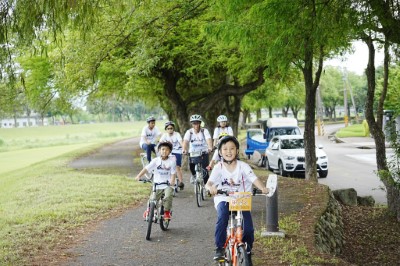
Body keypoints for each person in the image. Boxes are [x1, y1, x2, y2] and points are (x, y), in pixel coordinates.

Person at [205, 136, 269, 264]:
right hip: (223, 197)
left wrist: (263, 188)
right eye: (225, 149)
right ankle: (220, 248)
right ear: (220, 152)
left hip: (241, 198)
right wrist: (210, 187)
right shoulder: (218, 167)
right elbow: (209, 183)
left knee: (249, 229)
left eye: (232, 149)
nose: (229, 151)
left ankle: (247, 250)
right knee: (223, 217)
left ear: (237, 151)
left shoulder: (243, 166)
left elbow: (253, 179)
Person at [135, 141, 176, 220]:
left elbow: (173, 173)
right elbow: (146, 169)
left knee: (168, 197)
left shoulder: (171, 161)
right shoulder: (155, 161)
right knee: (152, 199)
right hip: (157, 184)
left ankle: (166, 212)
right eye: (162, 149)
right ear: (159, 150)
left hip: (167, 184)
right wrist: (139, 176)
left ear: (170, 151)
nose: (164, 151)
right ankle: (149, 210)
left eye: (167, 150)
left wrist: (172, 181)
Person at [182, 114, 213, 184]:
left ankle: (206, 187)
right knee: (191, 166)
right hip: (193, 152)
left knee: (205, 170)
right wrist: (184, 149)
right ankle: (193, 176)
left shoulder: (204, 131)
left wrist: (210, 147)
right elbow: (185, 141)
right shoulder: (189, 132)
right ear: (192, 124)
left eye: (197, 123)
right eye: (194, 123)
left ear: (200, 123)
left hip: (204, 151)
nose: (196, 125)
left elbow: (208, 139)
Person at [159, 121, 184, 190]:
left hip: (177, 151)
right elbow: (160, 144)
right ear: (166, 129)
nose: (170, 130)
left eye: (171, 128)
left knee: (177, 167)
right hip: (168, 152)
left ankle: (181, 182)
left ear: (173, 129)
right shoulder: (165, 135)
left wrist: (184, 149)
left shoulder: (177, 134)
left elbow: (181, 142)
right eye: (168, 128)